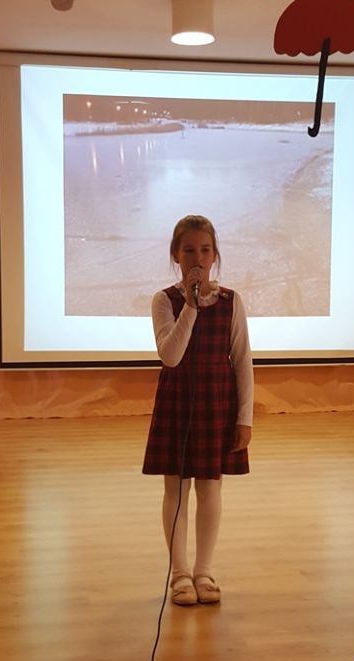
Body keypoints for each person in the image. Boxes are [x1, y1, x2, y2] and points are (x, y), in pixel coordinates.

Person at [142, 215, 253, 606]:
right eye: (189, 250)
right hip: (177, 401)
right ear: (176, 255)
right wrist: (190, 306)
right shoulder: (164, 301)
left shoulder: (231, 301)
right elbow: (170, 356)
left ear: (214, 255)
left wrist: (244, 418)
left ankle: (204, 571)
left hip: (216, 402)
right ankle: (180, 574)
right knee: (176, 488)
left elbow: (242, 360)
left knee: (210, 487)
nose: (198, 257)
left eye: (205, 250)